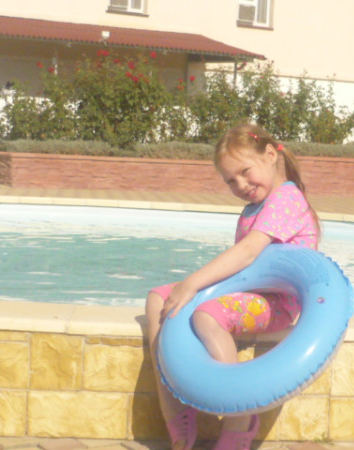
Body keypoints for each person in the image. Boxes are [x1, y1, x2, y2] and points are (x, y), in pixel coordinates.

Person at [145, 122, 320, 450]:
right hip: (248, 294)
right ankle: (176, 409)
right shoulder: (253, 208)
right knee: (157, 299)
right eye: (230, 180)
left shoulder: (287, 198)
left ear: (270, 155)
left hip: (278, 302)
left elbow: (248, 252)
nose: (241, 184)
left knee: (208, 316)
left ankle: (240, 421)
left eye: (244, 172)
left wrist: (192, 284)